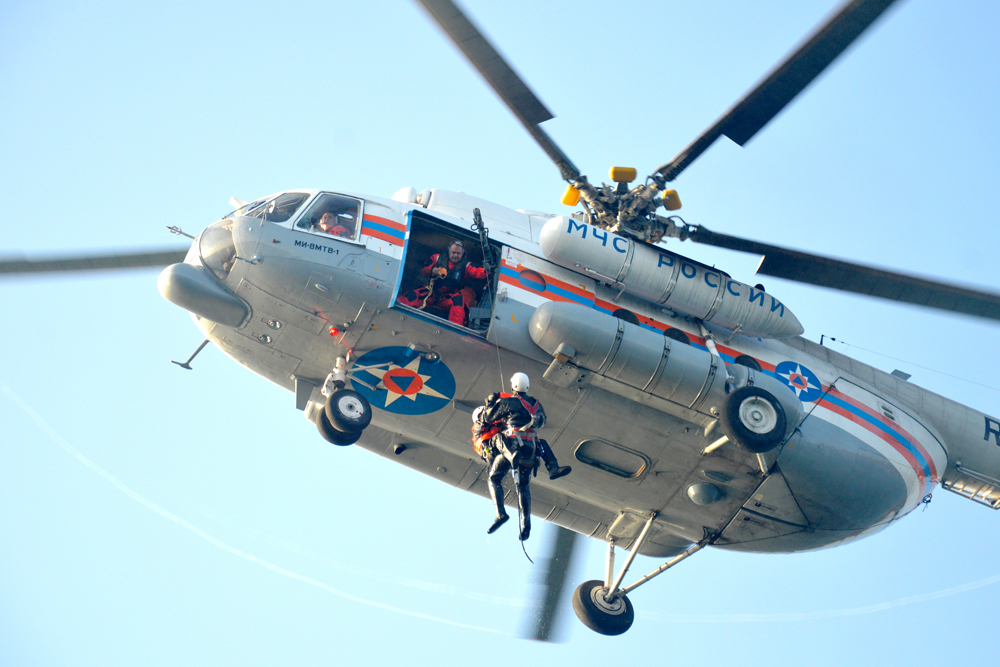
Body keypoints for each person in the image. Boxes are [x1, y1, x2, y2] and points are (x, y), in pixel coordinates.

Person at [477, 372, 571, 541]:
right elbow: (541, 422)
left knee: (494, 477)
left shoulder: (510, 402)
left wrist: (491, 402)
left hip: (513, 444)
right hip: (531, 449)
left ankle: (501, 514)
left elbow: (488, 417)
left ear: (513, 385)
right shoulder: (536, 405)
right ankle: (526, 526)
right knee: (523, 487)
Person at [397, 241, 487, 326]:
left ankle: (454, 328)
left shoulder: (466, 266)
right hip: (431, 291)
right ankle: (395, 309)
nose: (455, 255)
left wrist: (488, 269)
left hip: (448, 296)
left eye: (458, 253)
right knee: (413, 295)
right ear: (448, 251)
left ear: (463, 254)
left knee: (458, 301)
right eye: (453, 252)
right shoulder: (437, 258)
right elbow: (423, 271)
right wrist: (432, 270)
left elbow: (478, 272)